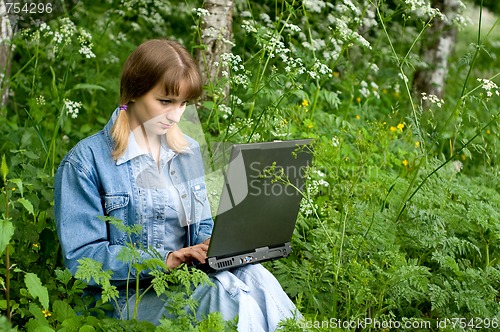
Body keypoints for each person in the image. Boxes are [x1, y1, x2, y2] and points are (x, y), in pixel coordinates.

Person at [54, 39, 300, 331]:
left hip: (187, 279)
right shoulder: (86, 161)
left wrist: (216, 246)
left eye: (184, 103)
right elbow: (81, 259)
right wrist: (167, 259)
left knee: (256, 278)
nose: (176, 115)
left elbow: (202, 226)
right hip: (125, 297)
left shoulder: (188, 151)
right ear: (133, 93)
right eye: (165, 101)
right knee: (227, 299)